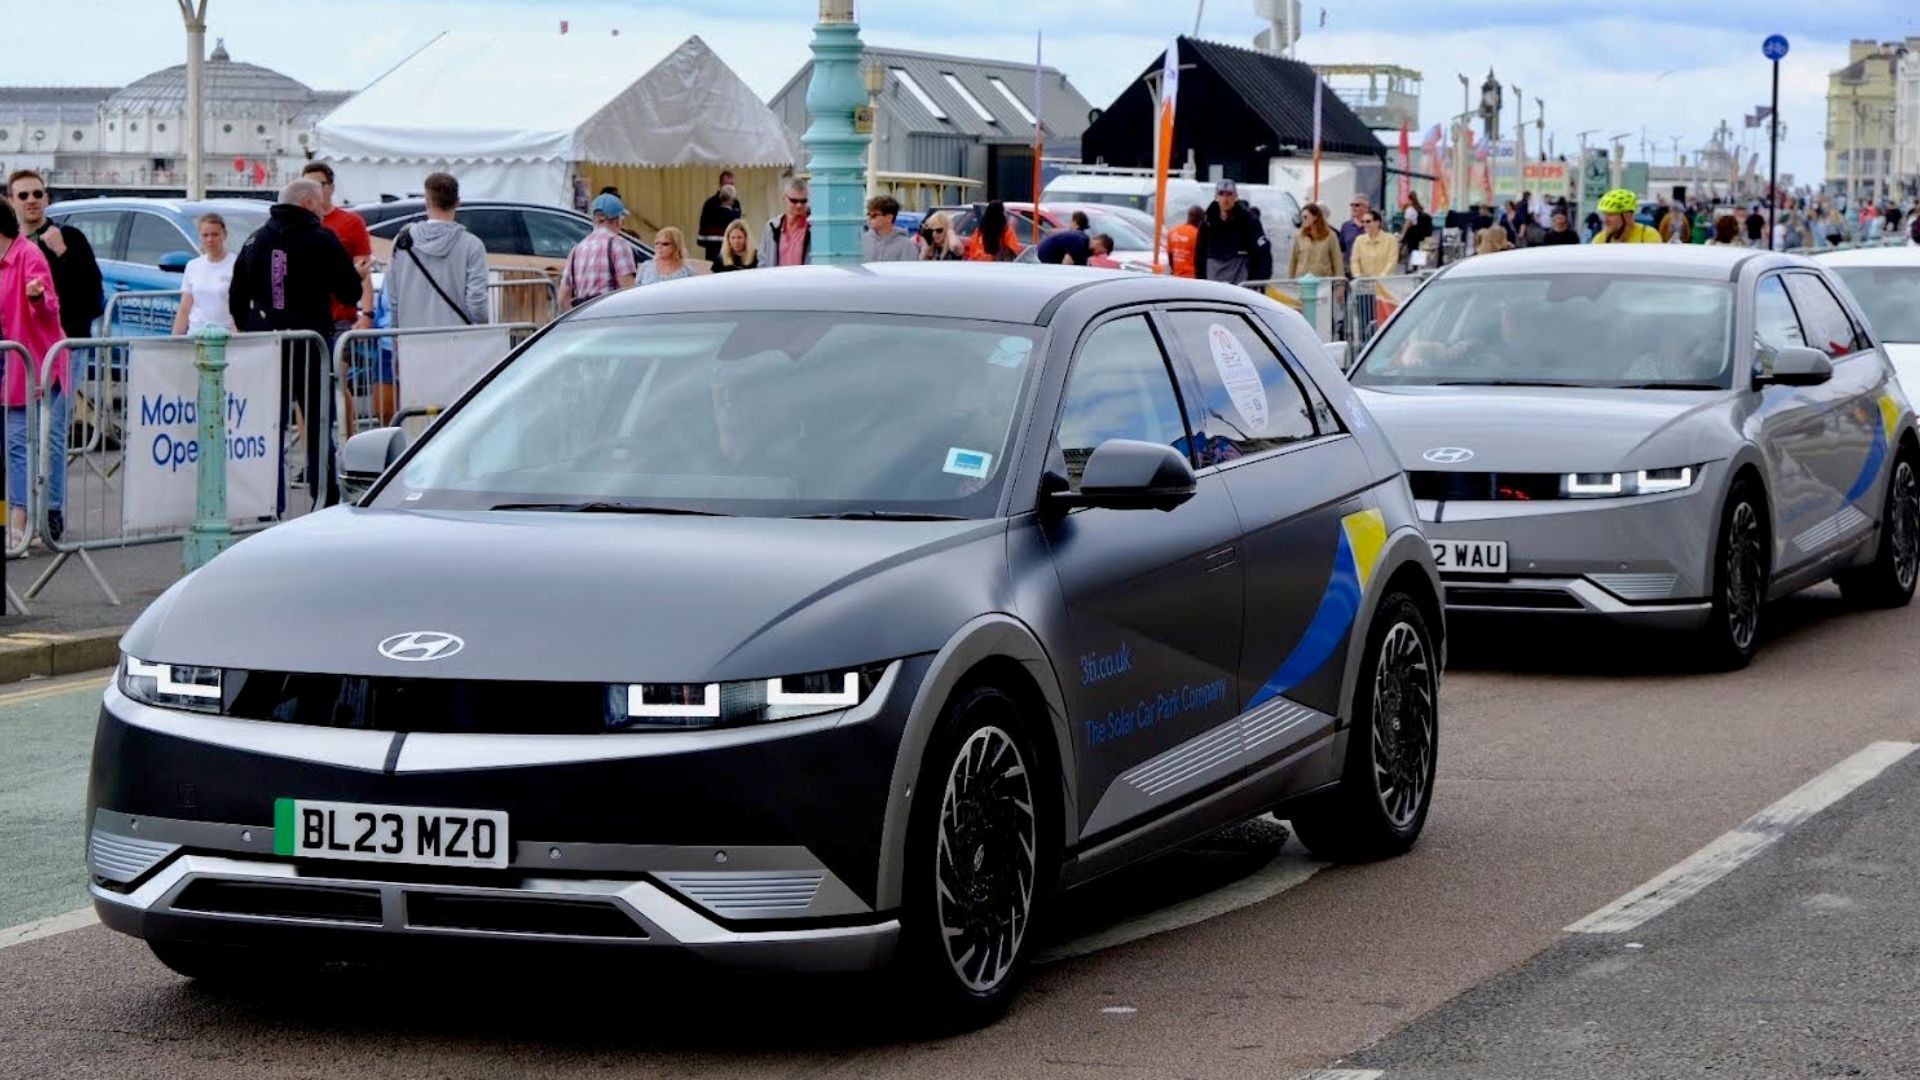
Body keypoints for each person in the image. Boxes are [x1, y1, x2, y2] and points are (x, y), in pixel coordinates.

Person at [228, 178, 362, 508]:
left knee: (270, 422)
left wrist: (251, 327)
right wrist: (354, 276)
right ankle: (325, 498)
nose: (321, 210)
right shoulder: (321, 239)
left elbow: (236, 294)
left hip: (267, 344)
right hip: (311, 341)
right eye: (318, 204)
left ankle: (267, 502)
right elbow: (350, 292)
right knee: (318, 422)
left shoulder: (255, 239)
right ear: (306, 203)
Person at [9, 170, 101, 541]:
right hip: (19, 352)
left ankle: (52, 512)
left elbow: (92, 293)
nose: (31, 200)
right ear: (12, 201)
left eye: (37, 193)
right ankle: (15, 515)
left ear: (47, 198)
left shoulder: (68, 238)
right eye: (23, 195)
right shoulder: (11, 245)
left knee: (52, 431)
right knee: (16, 438)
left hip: (64, 348)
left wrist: (62, 253)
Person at [380, 172, 488, 432]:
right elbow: (477, 299)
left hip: (412, 341)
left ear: (426, 200)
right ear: (457, 202)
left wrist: (395, 335)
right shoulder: (472, 245)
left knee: (416, 419)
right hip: (457, 341)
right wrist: (482, 327)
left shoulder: (403, 242)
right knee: (457, 417)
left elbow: (392, 296)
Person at [1, 198, 64, 550]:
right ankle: (11, 521)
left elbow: (50, 312)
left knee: (19, 446)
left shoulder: (29, 255)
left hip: (29, 362)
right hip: (6, 360)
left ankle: (22, 524)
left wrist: (37, 299)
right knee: (8, 448)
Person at [299, 163, 374, 339]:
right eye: (306, 186)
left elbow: (364, 269)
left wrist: (367, 314)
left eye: (318, 185)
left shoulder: (351, 222)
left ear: (331, 188)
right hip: (303, 318)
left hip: (341, 317)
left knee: (338, 365)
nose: (312, 191)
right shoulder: (296, 224)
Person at [558, 193, 638, 310]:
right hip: (609, 313)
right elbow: (629, 291)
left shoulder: (576, 249)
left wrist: (577, 319)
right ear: (619, 220)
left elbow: (562, 299)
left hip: (584, 316)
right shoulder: (618, 244)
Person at [170, 213, 236, 335]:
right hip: (197, 336)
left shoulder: (236, 264)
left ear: (224, 235)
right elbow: (184, 309)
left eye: (215, 235)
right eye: (205, 235)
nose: (210, 240)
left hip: (226, 336)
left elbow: (242, 308)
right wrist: (175, 339)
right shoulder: (193, 266)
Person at [1194, 179, 1267, 285]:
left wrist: (1256, 283)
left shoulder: (1249, 221)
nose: (1225, 199)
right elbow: (1199, 255)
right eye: (1221, 194)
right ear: (1216, 197)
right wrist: (1201, 282)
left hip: (1241, 285)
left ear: (1236, 196)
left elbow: (1263, 254)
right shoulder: (1207, 222)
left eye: (1229, 194)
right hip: (1212, 285)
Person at [760, 178, 812, 267]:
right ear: (784, 198)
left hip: (804, 280)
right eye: (794, 201)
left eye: (803, 201)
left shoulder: (814, 228)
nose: (799, 205)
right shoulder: (771, 227)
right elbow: (762, 259)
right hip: (776, 279)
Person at [1287, 203, 1345, 278]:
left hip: (1323, 282)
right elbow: (1293, 261)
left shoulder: (1330, 236)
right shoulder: (1299, 236)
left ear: (1315, 217)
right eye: (1301, 217)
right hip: (1302, 281)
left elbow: (1337, 262)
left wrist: (1339, 285)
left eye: (1305, 217)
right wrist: (1289, 282)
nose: (1303, 220)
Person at [696, 171, 741, 267]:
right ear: (720, 185)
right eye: (726, 184)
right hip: (714, 252)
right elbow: (703, 232)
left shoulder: (736, 203)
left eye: (732, 184)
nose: (729, 187)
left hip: (733, 251)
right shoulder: (710, 204)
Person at [860, 195, 918, 262]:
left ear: (889, 218)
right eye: (869, 214)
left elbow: (909, 270)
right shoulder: (861, 242)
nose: (870, 218)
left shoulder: (907, 246)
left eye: (874, 215)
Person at [1591, 189, 1661, 244]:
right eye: (1604, 214)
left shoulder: (1648, 235)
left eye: (1611, 214)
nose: (1605, 220)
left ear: (1627, 216)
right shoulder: (1600, 239)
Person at [1348, 209, 1400, 277]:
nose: (1365, 224)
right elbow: (1354, 261)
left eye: (1368, 221)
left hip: (1385, 282)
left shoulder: (1391, 239)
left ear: (1377, 222)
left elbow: (1392, 261)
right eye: (1363, 222)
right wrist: (1358, 276)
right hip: (1364, 283)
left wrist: (1381, 277)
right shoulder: (1359, 240)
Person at [1399, 191, 1433, 265]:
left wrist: (1402, 235)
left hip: (1413, 234)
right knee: (1419, 250)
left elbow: (1407, 224)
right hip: (1421, 234)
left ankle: (1412, 266)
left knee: (1412, 250)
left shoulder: (1410, 210)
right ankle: (1418, 266)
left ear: (1409, 199)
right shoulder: (1419, 208)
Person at [1167, 205, 1202, 278]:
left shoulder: (1173, 231)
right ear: (1200, 220)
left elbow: (1170, 256)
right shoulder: (1197, 234)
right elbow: (1200, 259)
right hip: (1191, 277)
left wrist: (1174, 270)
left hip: (1176, 276)